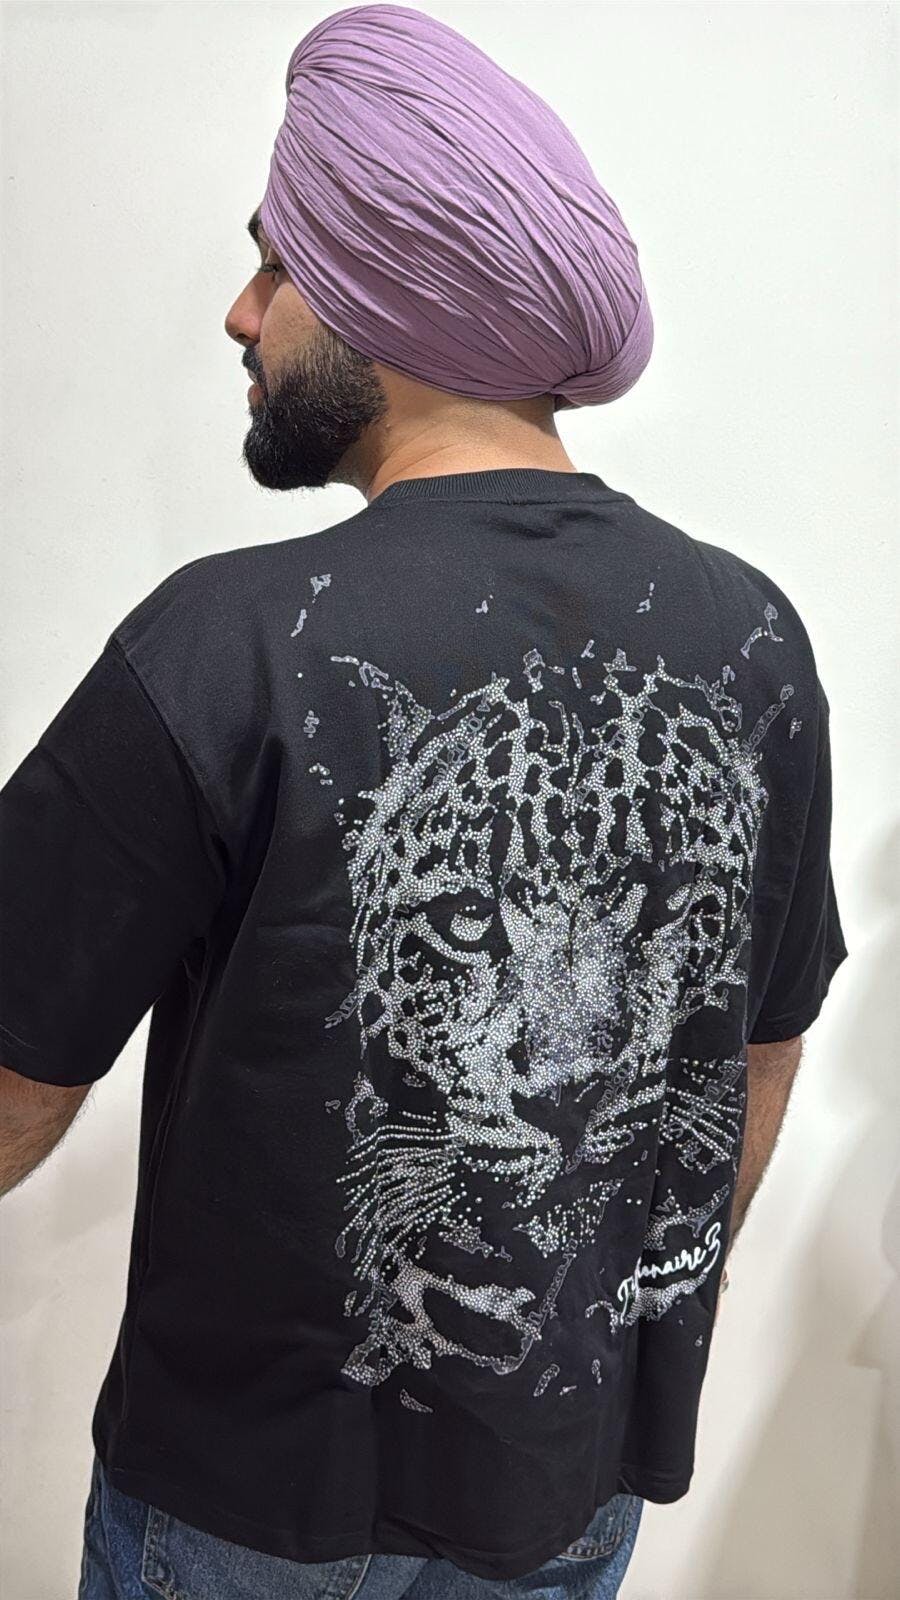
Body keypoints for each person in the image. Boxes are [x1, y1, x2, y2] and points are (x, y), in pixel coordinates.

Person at [0, 6, 848, 1598]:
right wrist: (624, 1297)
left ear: (387, 290)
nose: (242, 313)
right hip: (574, 1488)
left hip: (252, 1515)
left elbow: (13, 1065)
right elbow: (762, 1045)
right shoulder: (751, 633)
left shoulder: (229, 639)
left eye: (277, 265)